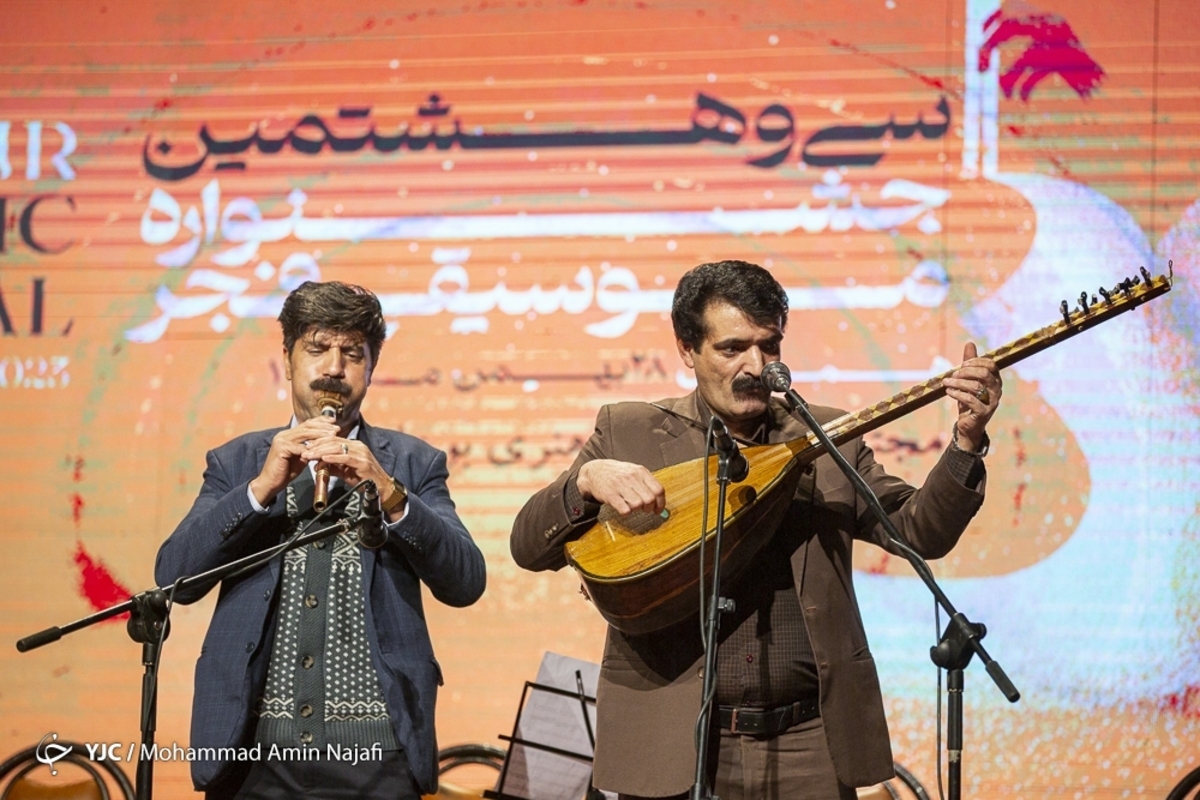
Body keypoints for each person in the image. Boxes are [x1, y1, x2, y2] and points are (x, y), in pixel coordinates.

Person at [510, 260, 1001, 800]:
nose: (756, 366)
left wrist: (966, 441)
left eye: (770, 346)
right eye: (732, 348)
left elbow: (918, 531)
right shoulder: (630, 431)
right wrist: (584, 481)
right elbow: (528, 547)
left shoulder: (829, 438)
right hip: (676, 741)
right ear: (687, 349)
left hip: (806, 741)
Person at [156, 281, 486, 799]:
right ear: (287, 359)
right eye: (317, 349)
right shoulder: (238, 463)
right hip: (251, 753)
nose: (334, 367)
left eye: (352, 353)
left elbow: (466, 581)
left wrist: (388, 492)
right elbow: (173, 577)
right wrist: (261, 489)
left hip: (376, 757)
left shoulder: (411, 464)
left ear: (371, 369)